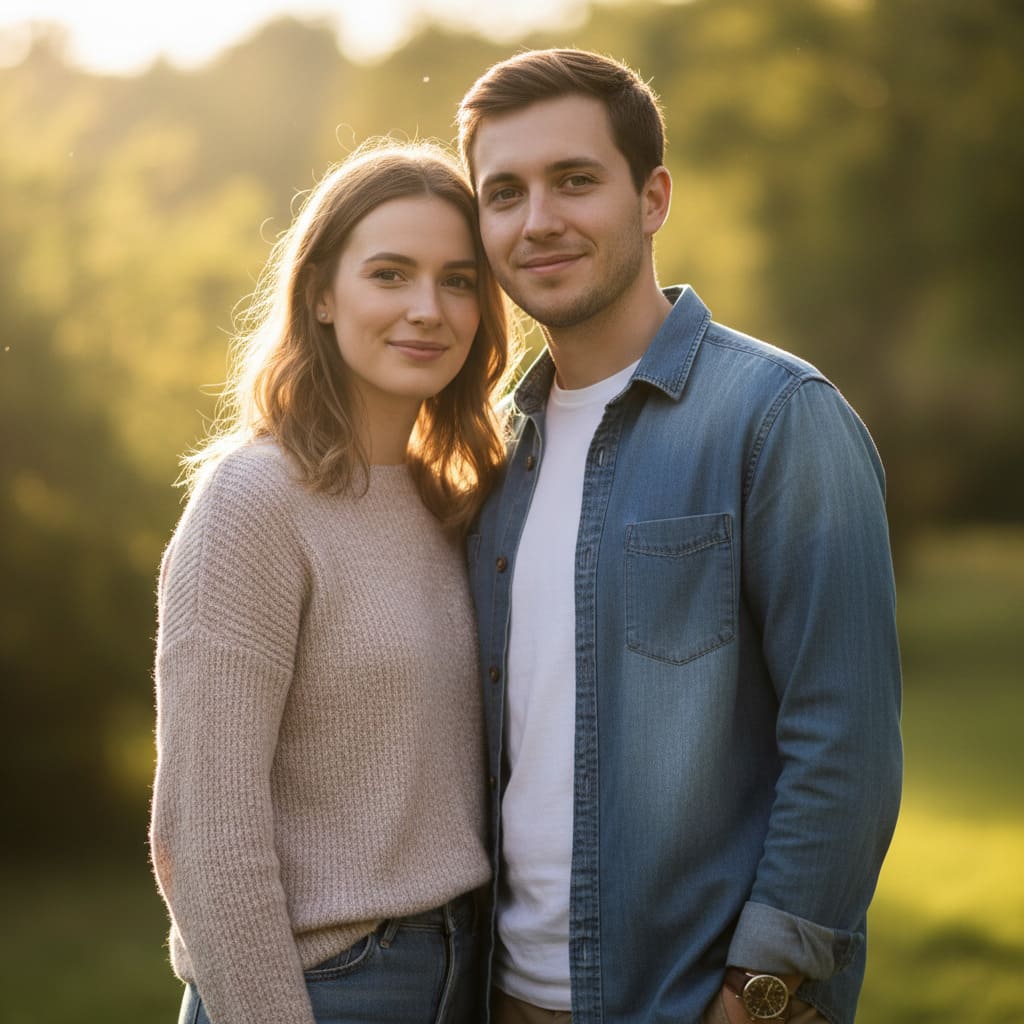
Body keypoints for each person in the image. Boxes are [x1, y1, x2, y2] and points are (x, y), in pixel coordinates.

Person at [456, 48, 902, 1024]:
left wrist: (759, 995)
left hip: (689, 1002)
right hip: (496, 999)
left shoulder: (780, 418)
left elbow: (846, 740)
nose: (539, 220)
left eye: (574, 180)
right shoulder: (488, 456)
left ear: (652, 197)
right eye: (504, 193)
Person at [149, 141, 517, 1024]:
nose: (427, 310)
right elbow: (202, 831)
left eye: (459, 280)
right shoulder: (256, 500)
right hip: (326, 983)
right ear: (321, 292)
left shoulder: (456, 500)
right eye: (390, 274)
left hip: (465, 970)